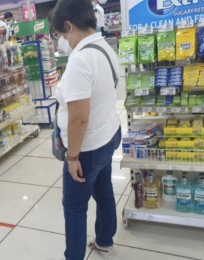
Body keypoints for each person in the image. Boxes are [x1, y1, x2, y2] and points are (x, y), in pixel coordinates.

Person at [49, 0, 121, 259]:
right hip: (108, 135)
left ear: (68, 26)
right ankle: (104, 239)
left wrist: (72, 157)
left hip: (87, 148)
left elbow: (79, 118)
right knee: (104, 192)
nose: (60, 41)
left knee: (75, 208)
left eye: (59, 35)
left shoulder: (80, 59)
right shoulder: (104, 47)